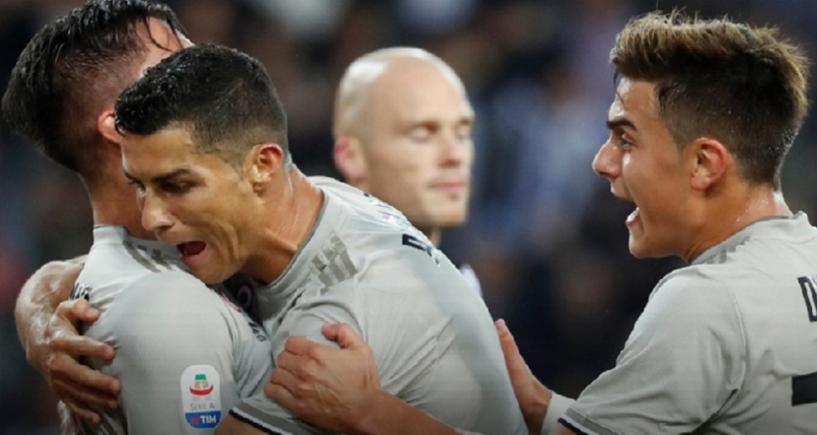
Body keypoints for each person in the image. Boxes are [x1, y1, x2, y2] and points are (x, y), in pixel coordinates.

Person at [265, 11, 817, 435]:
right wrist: (541, 405)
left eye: (625, 139)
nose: (602, 162)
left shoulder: (707, 302)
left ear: (704, 163)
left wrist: (369, 412)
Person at [113, 44, 526, 434]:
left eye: (178, 186)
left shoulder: (334, 328)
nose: (152, 218)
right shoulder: (314, 197)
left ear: (263, 166)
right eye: (139, 186)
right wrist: (72, 297)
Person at [2, 1, 272, 433]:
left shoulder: (179, 258)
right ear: (121, 123)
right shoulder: (167, 308)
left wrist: (34, 306)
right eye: (178, 67)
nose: (213, 73)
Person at [332, 47, 481, 291]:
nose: (454, 155)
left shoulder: (463, 284)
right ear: (352, 157)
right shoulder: (318, 295)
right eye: (423, 134)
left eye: (462, 133)